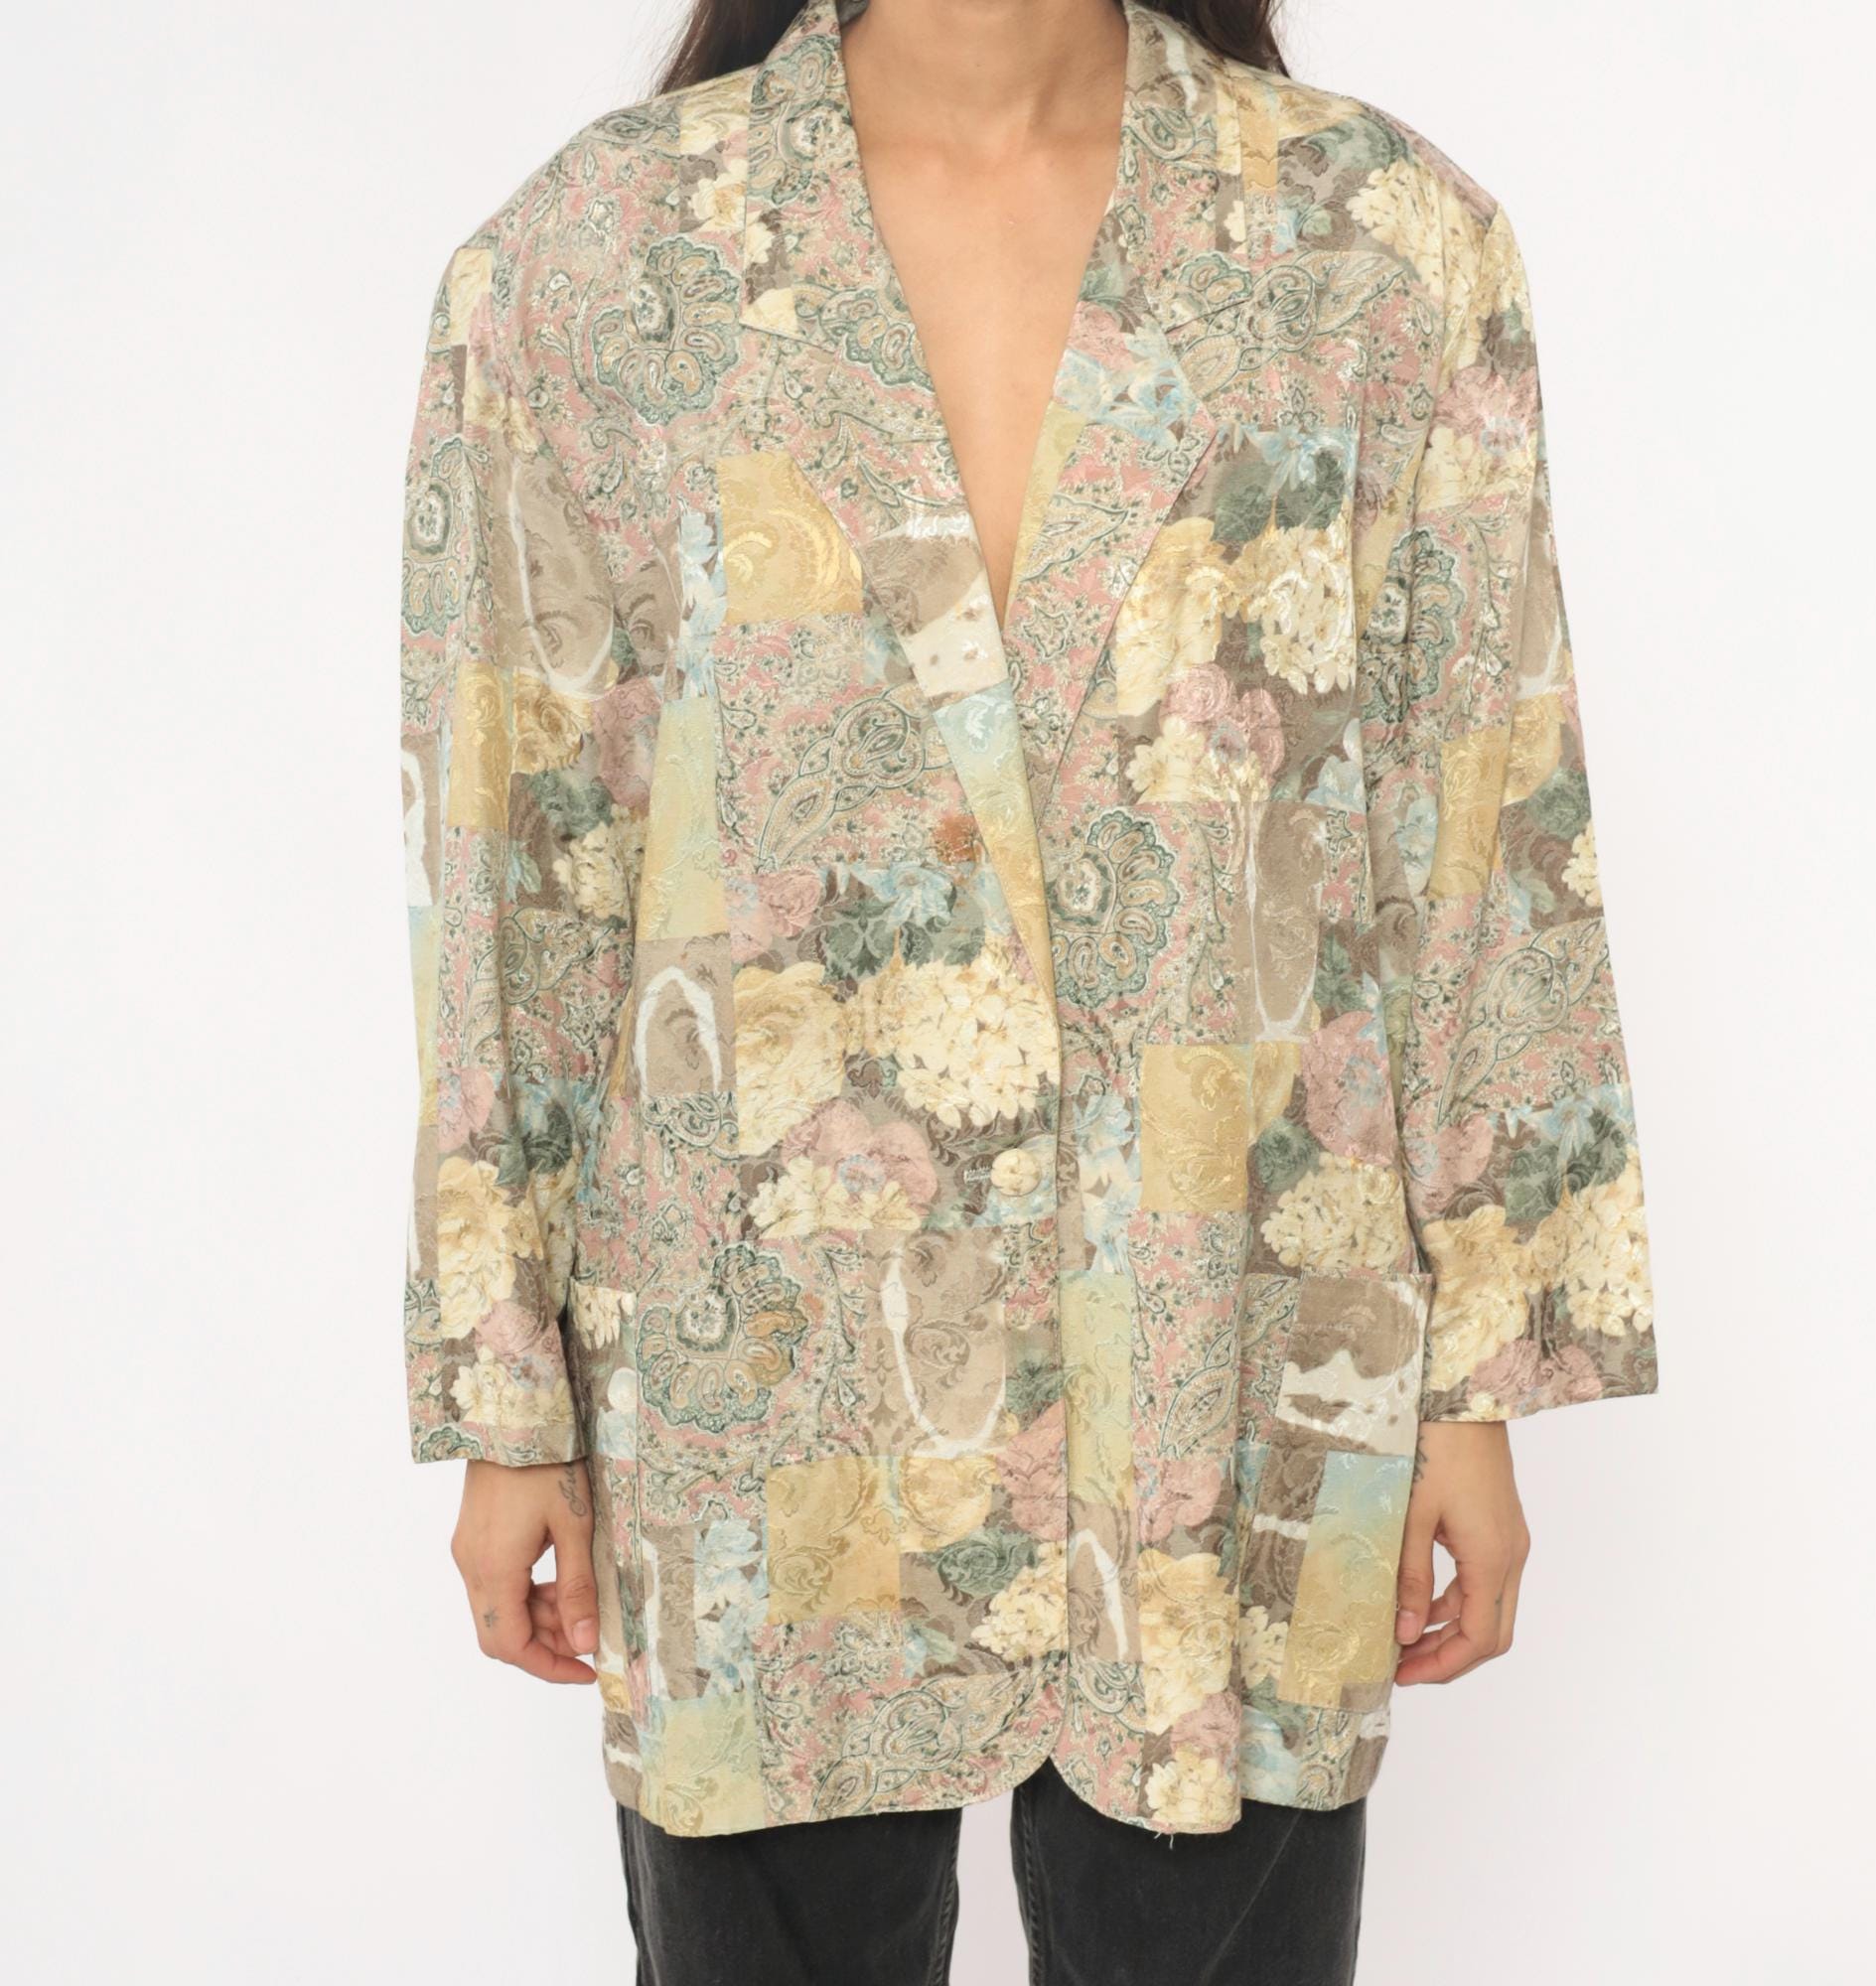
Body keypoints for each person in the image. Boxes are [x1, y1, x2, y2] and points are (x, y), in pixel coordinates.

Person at [395, 1, 1658, 1978]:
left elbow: (1482, 822)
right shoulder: (591, 260)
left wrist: (1475, 1385)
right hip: (755, 1354)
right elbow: (515, 855)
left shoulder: (1372, 241)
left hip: (1236, 1332)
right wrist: (508, 1399)